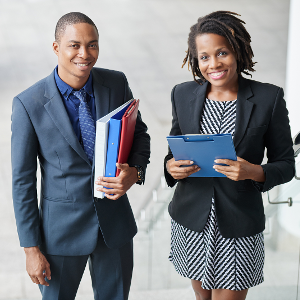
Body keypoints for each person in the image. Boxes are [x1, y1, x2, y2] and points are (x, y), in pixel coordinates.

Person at [11, 12, 150, 300]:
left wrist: (135, 173)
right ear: (56, 48)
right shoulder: (28, 104)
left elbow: (139, 135)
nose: (84, 54)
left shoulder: (115, 83)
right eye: (74, 45)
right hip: (60, 234)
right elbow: (22, 182)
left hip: (114, 228)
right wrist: (31, 248)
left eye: (92, 45)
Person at [164, 11, 295, 300]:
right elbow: (172, 154)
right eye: (204, 57)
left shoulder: (268, 99)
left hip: (238, 224)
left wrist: (254, 172)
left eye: (221, 52)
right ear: (196, 60)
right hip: (191, 223)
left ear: (237, 51)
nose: (214, 64)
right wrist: (171, 168)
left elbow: (286, 165)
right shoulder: (182, 94)